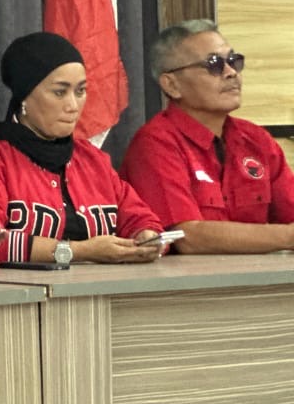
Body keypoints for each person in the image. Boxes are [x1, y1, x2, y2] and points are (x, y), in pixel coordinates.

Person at [0, 31, 162, 265]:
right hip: (20, 289)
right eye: (60, 92)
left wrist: (146, 236)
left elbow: (141, 218)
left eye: (80, 91)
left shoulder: (92, 159)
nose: (73, 105)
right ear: (24, 96)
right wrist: (79, 251)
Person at [120, 19, 294, 253]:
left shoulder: (257, 140)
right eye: (214, 64)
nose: (231, 73)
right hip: (188, 276)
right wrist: (288, 237)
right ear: (171, 85)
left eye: (233, 61)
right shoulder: (155, 143)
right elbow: (187, 237)